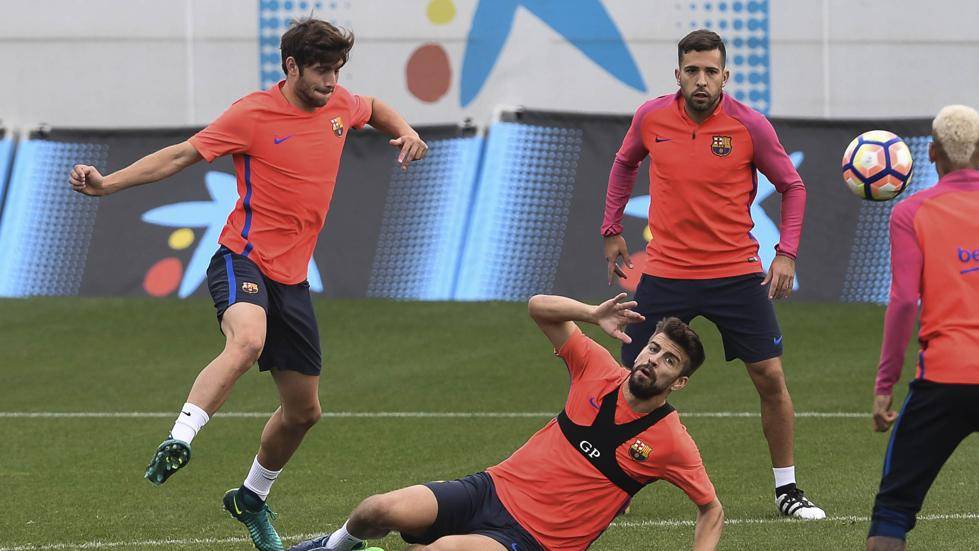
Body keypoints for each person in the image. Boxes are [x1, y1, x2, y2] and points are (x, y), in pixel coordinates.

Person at [68, 18, 428, 551]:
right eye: (321, 71)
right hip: (243, 259)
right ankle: (180, 439)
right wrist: (107, 185)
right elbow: (180, 155)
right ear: (290, 67)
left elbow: (373, 108)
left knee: (304, 412)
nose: (331, 82)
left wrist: (407, 129)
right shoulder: (252, 113)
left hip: (294, 281)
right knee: (247, 340)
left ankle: (251, 497)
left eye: (337, 71)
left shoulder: (339, 105)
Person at [290, 293, 724, 551]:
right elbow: (539, 307)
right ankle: (330, 548)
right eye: (654, 349)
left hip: (534, 540)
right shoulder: (597, 368)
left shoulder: (671, 442)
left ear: (679, 382)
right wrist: (593, 314)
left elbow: (711, 509)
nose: (654, 361)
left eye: (669, 361)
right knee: (377, 509)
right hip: (490, 489)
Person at [600, 29, 823, 519]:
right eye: (692, 71)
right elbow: (623, 163)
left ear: (725, 75)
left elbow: (793, 185)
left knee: (769, 377)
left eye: (710, 72)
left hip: (735, 273)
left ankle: (787, 489)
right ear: (677, 74)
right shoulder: (651, 115)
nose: (701, 80)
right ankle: (611, 487)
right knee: (632, 379)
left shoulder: (750, 126)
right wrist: (612, 227)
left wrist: (786, 253)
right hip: (666, 271)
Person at [867, 105, 979, 551]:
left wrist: (884, 384)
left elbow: (903, 303)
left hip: (944, 380)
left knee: (891, 515)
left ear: (931, 152)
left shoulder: (911, 212)